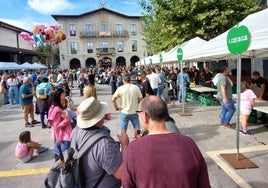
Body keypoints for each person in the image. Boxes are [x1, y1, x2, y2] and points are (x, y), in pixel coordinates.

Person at [120, 96, 210, 187]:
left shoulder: (133, 148)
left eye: (138, 113)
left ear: (144, 116)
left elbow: (127, 184)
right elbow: (204, 184)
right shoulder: (189, 144)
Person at [72, 97, 127, 187]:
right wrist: (125, 145)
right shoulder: (104, 144)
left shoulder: (75, 131)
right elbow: (122, 174)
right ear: (98, 119)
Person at [47, 88, 73, 161]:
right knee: (64, 156)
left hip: (60, 136)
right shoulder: (57, 110)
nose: (63, 101)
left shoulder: (54, 107)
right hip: (63, 136)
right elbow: (56, 126)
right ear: (57, 100)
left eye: (64, 99)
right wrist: (67, 119)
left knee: (61, 153)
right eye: (61, 100)